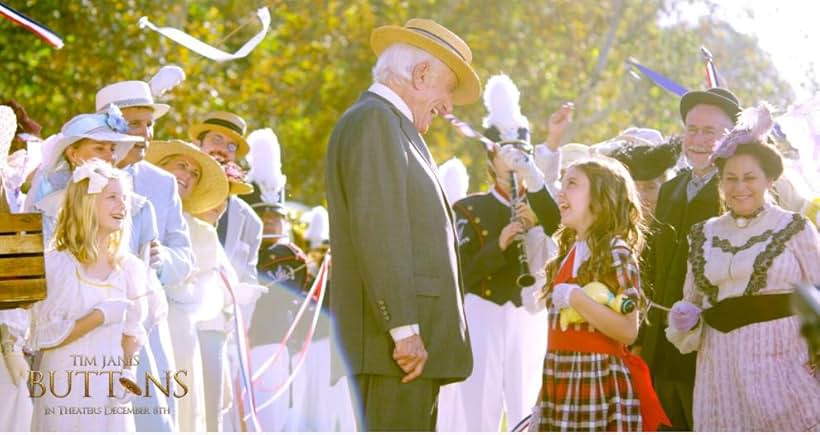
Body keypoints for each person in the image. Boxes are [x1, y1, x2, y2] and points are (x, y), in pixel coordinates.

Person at [325, 18, 481, 431]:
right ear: (421, 74)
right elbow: (381, 232)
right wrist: (404, 330)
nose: (448, 107)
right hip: (396, 353)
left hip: (402, 354)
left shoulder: (390, 125)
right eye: (448, 90)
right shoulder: (376, 122)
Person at [665, 104, 820, 431]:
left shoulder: (794, 227)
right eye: (730, 179)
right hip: (720, 368)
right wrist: (685, 318)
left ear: (770, 180)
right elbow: (691, 299)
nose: (739, 187)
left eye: (750, 178)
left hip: (784, 366)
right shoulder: (704, 234)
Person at [437, 74, 566, 431]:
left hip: (528, 313)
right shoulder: (468, 208)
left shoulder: (540, 203)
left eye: (519, 155)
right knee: (479, 407)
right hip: (483, 312)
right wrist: (500, 245)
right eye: (505, 156)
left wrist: (535, 178)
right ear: (490, 157)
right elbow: (459, 274)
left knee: (529, 405)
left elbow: (557, 222)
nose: (512, 163)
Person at [530, 158, 668, 431]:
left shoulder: (616, 252)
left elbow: (628, 330)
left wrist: (576, 299)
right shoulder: (566, 254)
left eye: (572, 184)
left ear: (601, 196)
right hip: (560, 381)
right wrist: (539, 404)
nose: (560, 192)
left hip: (597, 380)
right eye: (562, 182)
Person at [97, 80, 194, 431]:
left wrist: (161, 260)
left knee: (153, 417)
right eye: (133, 124)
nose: (144, 133)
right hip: (90, 321)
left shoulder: (162, 183)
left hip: (147, 326)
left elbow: (184, 253)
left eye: (149, 124)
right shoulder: (78, 180)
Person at [642, 87, 740, 431]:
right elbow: (652, 262)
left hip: (710, 344)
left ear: (732, 137)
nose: (698, 140)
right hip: (659, 341)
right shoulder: (672, 188)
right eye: (692, 129)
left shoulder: (737, 194)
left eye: (710, 132)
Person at [28, 160, 149, 431]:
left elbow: (132, 335)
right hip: (63, 387)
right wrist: (100, 316)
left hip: (109, 392)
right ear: (85, 204)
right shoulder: (57, 265)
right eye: (112, 197)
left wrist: (128, 372)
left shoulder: (129, 269)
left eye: (125, 198)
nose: (123, 205)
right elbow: (43, 337)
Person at [146, 139, 230, 432]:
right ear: (159, 167)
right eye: (181, 165)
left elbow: (206, 297)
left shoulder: (202, 232)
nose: (187, 175)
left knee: (178, 415)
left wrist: (170, 281)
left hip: (178, 333)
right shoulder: (128, 208)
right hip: (130, 328)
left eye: (194, 173)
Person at [189, 111, 262, 288]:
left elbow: (249, 282)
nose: (222, 150)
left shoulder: (251, 222)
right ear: (198, 143)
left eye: (231, 146)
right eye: (217, 139)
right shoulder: (174, 193)